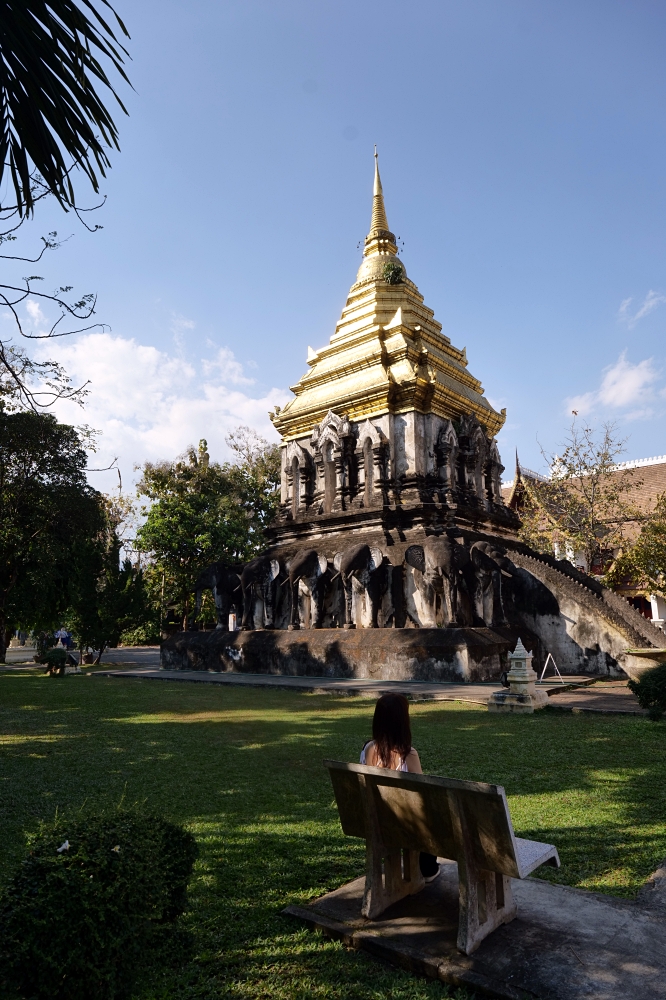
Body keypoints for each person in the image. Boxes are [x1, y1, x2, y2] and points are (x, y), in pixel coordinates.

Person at [360, 693, 440, 882]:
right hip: (403, 826)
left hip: (375, 821)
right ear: (403, 723)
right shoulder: (409, 754)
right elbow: (423, 794)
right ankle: (427, 867)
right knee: (430, 815)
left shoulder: (368, 749)